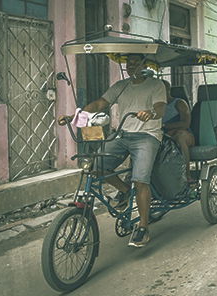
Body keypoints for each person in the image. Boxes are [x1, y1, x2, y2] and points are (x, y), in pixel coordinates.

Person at [59, 54, 167, 247]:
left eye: (135, 62)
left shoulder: (155, 85)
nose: (131, 65)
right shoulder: (121, 86)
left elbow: (160, 108)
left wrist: (150, 113)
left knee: (140, 179)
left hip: (147, 136)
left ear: (144, 64)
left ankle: (143, 226)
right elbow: (101, 103)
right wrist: (77, 114)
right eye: (129, 62)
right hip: (123, 135)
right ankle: (125, 191)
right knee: (94, 167)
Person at [161, 79, 196, 183]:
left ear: (168, 90)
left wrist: (165, 126)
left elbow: (185, 124)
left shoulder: (179, 103)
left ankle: (187, 175)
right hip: (164, 136)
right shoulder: (155, 106)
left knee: (180, 137)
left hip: (184, 135)